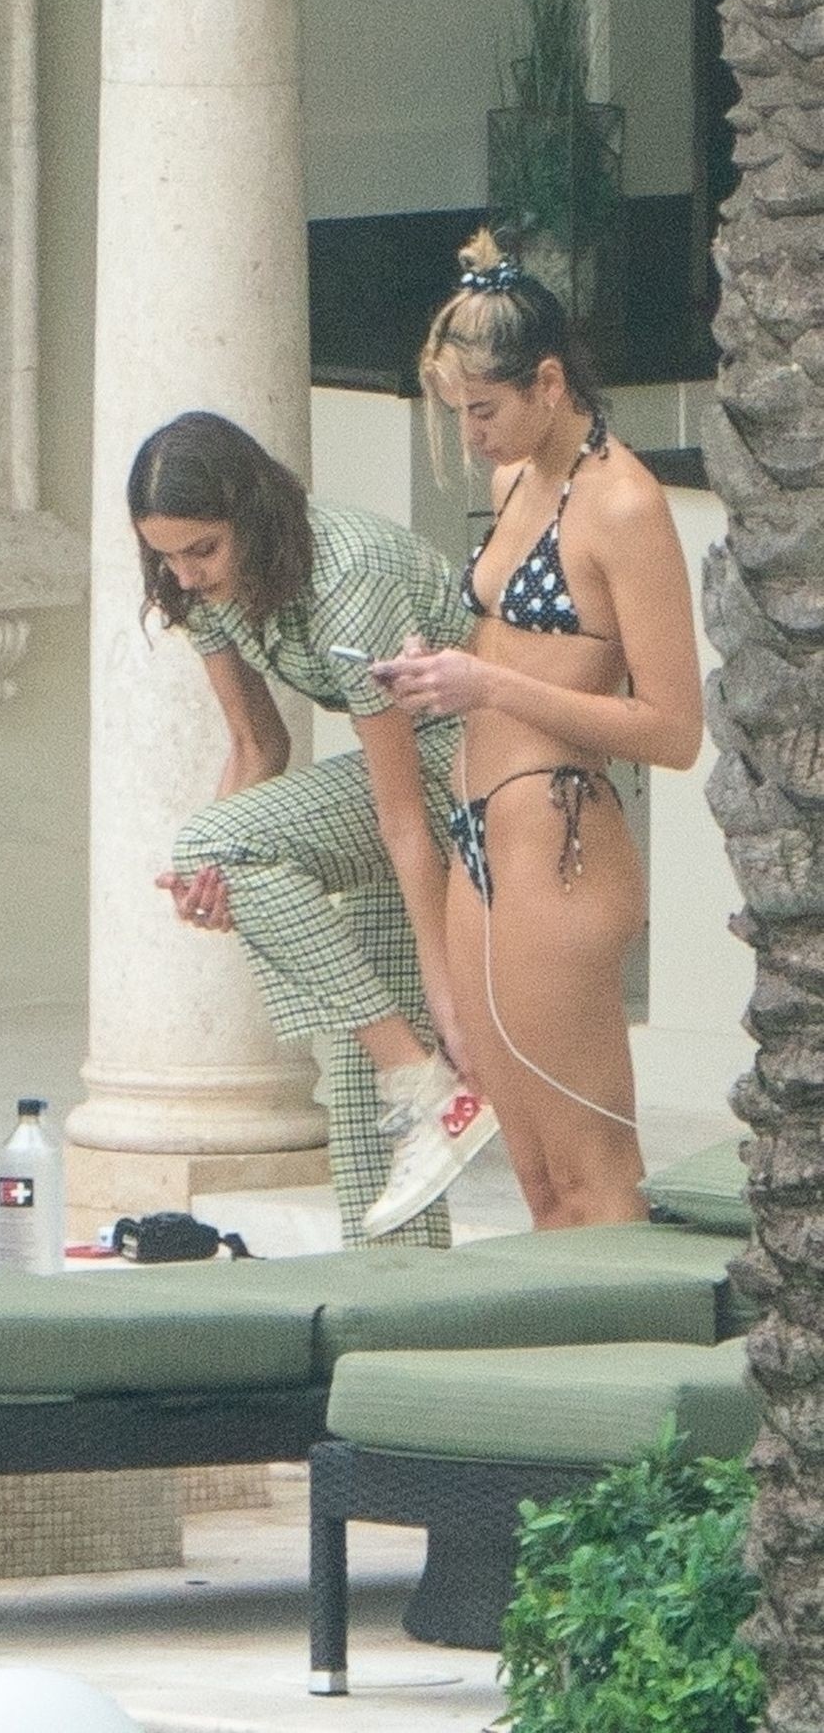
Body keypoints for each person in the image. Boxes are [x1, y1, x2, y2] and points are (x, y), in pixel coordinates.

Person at [373, 230, 703, 1231]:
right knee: (536, 1179)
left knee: (595, 1168)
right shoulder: (517, 481)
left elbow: (673, 730)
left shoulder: (625, 505)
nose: (471, 433)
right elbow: (513, 647)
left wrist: (489, 685)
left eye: (484, 409)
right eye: (458, 411)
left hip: (557, 839)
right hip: (481, 842)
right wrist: (441, 665)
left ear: (548, 383)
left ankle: (634, 1331)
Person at [127, 408, 497, 1248]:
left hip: (475, 758)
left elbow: (404, 820)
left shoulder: (347, 578)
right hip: (407, 787)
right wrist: (211, 880)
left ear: (250, 514)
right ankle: (390, 1310)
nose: (184, 574)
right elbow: (259, 745)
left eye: (201, 549)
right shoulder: (206, 591)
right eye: (166, 556)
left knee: (222, 849)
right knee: (365, 1114)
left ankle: (422, 1078)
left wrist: (443, 994)